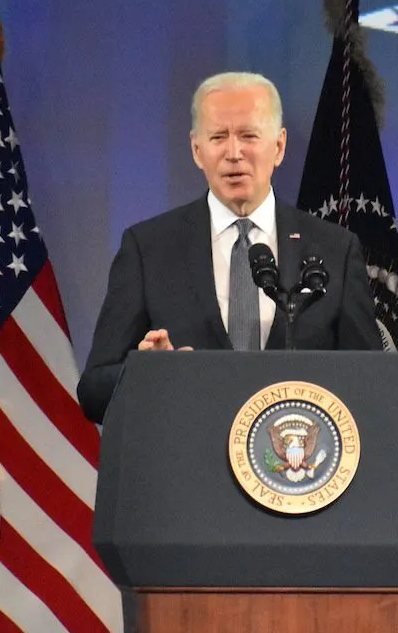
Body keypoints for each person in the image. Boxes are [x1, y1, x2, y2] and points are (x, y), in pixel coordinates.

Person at [76, 71, 380, 424]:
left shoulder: (335, 250)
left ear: (279, 146)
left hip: (297, 452)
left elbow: (372, 381)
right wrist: (147, 373)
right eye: (218, 137)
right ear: (197, 150)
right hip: (189, 453)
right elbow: (93, 391)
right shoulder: (148, 249)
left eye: (248, 136)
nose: (233, 153)